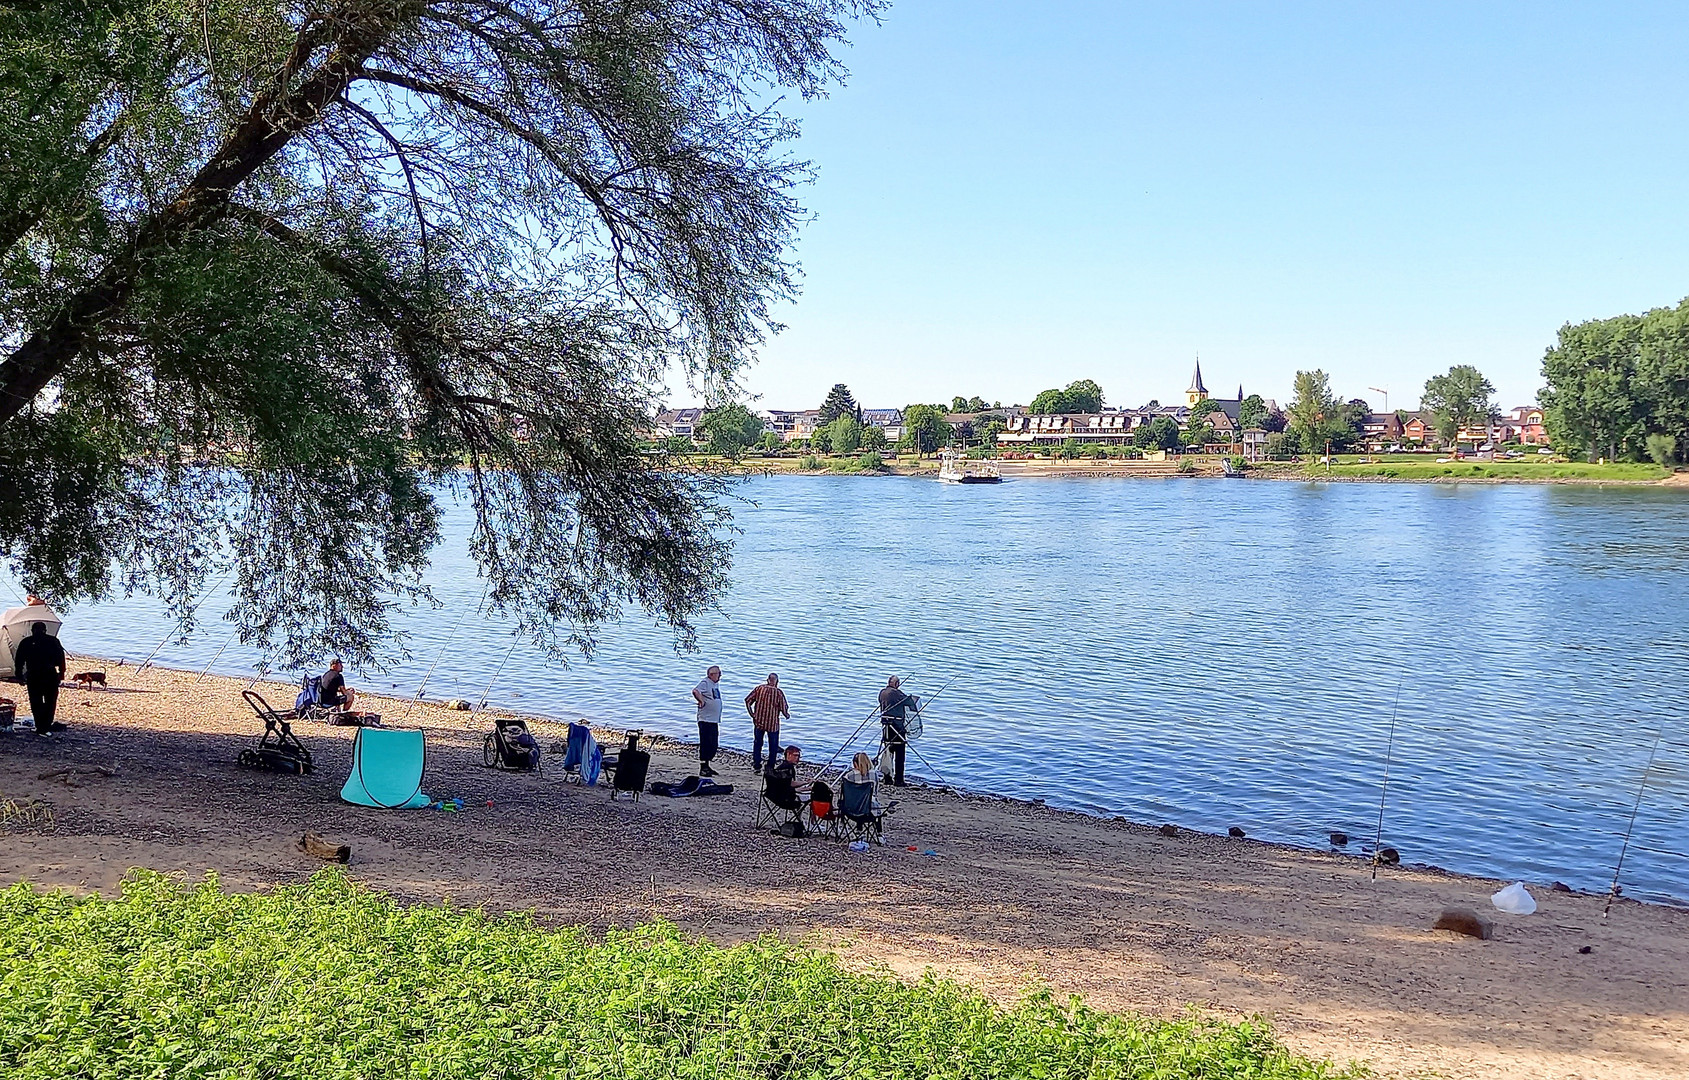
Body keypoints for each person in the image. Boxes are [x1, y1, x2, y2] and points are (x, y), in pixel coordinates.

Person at [14, 621, 65, 737]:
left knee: (36, 702)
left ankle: (40, 726)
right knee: (50, 702)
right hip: (49, 674)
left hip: (34, 674)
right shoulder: (53, 641)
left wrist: (19, 675)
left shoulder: (26, 642)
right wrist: (61, 673)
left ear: (32, 631)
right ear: (45, 630)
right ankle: (44, 726)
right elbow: (61, 659)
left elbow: (19, 661)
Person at [744, 672, 788, 772]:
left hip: (759, 721)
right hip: (772, 724)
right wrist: (787, 715)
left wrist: (752, 714)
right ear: (777, 682)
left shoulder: (759, 688)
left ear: (767, 680)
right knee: (773, 746)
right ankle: (770, 767)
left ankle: (757, 765)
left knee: (758, 743)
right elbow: (783, 708)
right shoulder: (778, 692)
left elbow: (747, 701)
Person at [877, 675, 912, 786]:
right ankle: (899, 780)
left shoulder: (882, 692)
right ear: (896, 684)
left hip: (886, 727)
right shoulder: (896, 693)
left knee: (888, 751)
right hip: (897, 727)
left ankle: (887, 778)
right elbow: (909, 702)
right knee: (900, 754)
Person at [691, 665, 723, 776]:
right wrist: (701, 701)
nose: (720, 675)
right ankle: (703, 767)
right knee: (706, 743)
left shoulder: (715, 684)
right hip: (705, 719)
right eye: (718, 673)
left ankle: (707, 766)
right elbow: (695, 691)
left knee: (713, 744)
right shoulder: (705, 682)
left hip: (713, 720)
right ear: (711, 675)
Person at [764, 744, 804, 810]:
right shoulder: (786, 769)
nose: (797, 758)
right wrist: (805, 783)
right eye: (795, 755)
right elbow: (791, 785)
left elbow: (786, 785)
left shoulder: (780, 768)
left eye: (799, 756)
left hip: (771, 795)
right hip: (785, 799)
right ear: (788, 755)